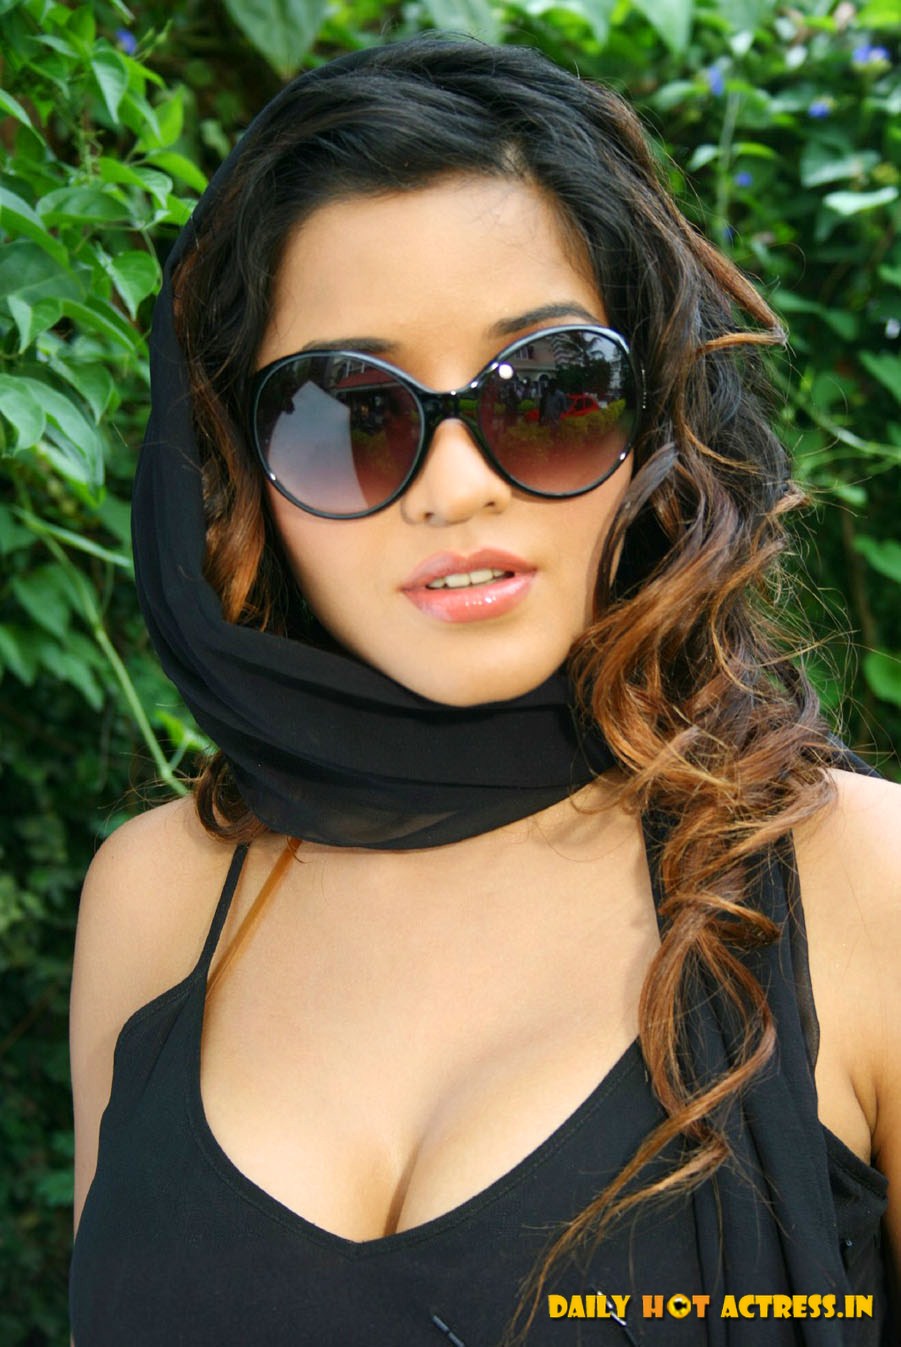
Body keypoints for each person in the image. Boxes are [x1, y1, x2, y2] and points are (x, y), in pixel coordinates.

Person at [68, 35, 900, 1347]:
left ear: (653, 415)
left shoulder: (859, 887)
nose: (457, 488)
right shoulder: (154, 902)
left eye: (551, 389)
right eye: (350, 412)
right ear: (234, 465)